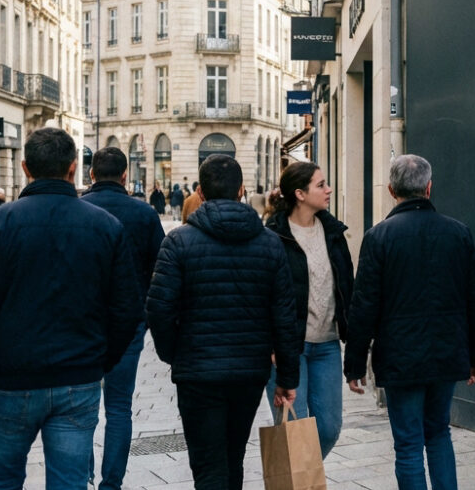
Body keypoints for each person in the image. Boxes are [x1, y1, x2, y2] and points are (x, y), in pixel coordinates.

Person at [0, 127, 141, 489]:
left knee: (2, 482)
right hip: (76, 379)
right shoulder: (105, 226)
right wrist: (99, 360)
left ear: (24, 168)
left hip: (11, 380)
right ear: (72, 169)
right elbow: (127, 310)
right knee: (69, 484)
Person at [146, 154, 301, 490]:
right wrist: (287, 376)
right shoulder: (270, 244)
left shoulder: (178, 242)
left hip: (198, 372)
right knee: (233, 457)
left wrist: (176, 353)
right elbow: (285, 316)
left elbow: (158, 309)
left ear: (200, 192)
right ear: (242, 190)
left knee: (208, 465)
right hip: (249, 370)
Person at [344, 154, 475, 490]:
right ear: (428, 188)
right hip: (446, 351)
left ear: (392, 190)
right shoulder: (458, 233)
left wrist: (353, 364)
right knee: (438, 433)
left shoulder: (379, 237)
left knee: (408, 443)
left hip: (400, 356)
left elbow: (364, 305)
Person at [82, 148, 167, 490]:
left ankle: (81, 473)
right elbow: (161, 269)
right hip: (128, 322)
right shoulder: (144, 214)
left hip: (81, 323)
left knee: (82, 407)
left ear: (90, 174)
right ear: (124, 175)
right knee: (119, 408)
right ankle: (111, 483)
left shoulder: (78, 209)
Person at [263, 163, 354, 457]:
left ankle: (302, 478)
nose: (328, 190)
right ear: (300, 194)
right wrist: (270, 344)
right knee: (293, 430)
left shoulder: (333, 233)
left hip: (326, 345)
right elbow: (262, 295)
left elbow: (347, 288)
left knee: (328, 428)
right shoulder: (273, 237)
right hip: (287, 348)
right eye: (321, 185)